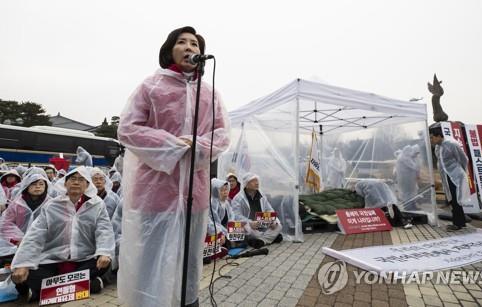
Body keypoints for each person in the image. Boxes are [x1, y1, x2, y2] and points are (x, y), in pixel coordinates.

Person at [116, 26, 230, 307]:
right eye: (182, 42)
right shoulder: (151, 86)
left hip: (195, 192)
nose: (190, 47)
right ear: (170, 50)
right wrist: (172, 145)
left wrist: (197, 145)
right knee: (151, 260)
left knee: (189, 260)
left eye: (195, 43)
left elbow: (222, 135)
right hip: (154, 194)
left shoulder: (210, 93)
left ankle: (188, 301)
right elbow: (128, 129)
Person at [10, 166, 115, 302]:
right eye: (72, 179)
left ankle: (41, 292)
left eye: (81, 179)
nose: (76, 182)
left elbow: (104, 230)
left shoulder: (97, 205)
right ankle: (89, 285)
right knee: (24, 274)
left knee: (105, 263)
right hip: (54, 259)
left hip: (84, 258)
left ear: (87, 184)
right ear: (65, 183)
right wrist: (23, 263)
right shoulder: (52, 206)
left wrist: (104, 252)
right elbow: (35, 235)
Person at [430, 125, 469, 231]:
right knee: (452, 199)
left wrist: (461, 172)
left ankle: (458, 224)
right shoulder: (438, 147)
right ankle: (461, 222)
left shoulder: (451, 144)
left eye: (432, 137)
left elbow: (463, 159)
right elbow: (440, 162)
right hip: (446, 176)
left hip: (455, 176)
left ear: (439, 136)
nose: (431, 140)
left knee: (456, 199)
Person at [231, 173, 283, 248]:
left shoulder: (261, 195)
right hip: (250, 226)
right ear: (246, 184)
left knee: (278, 225)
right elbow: (236, 216)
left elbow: (269, 209)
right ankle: (270, 238)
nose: (257, 183)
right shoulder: (238, 198)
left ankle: (261, 241)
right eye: (253, 181)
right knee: (246, 228)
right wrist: (250, 222)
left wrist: (273, 221)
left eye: (257, 181)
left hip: (261, 223)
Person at [0, 173, 51, 244]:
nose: (38, 187)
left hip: (43, 243)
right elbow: (6, 223)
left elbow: (55, 225)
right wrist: (17, 239)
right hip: (17, 244)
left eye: (41, 184)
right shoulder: (17, 204)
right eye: (33, 184)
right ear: (27, 186)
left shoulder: (50, 204)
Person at [394, 144, 421, 210]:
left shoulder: (408, 157)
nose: (416, 155)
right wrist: (418, 165)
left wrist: (417, 174)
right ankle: (408, 207)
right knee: (407, 193)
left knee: (412, 192)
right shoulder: (404, 158)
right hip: (405, 179)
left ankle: (413, 206)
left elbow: (416, 167)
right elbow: (415, 167)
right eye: (415, 153)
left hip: (409, 179)